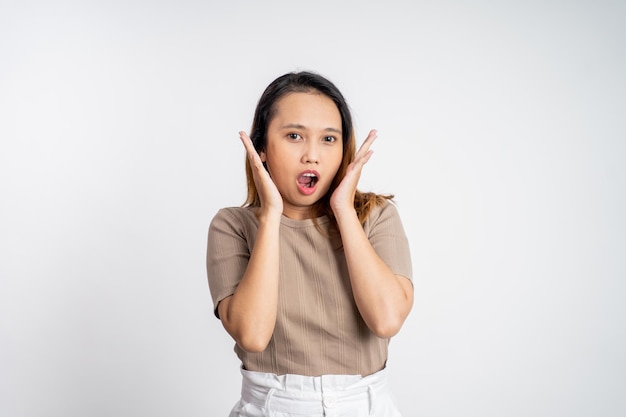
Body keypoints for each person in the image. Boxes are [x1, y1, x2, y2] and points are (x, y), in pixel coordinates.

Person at [206, 71, 413, 417]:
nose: (312, 155)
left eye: (329, 139)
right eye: (294, 136)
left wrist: (344, 210)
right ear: (262, 149)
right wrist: (271, 214)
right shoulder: (233, 226)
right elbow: (253, 336)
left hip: (365, 406)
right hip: (270, 407)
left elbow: (387, 319)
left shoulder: (376, 217)